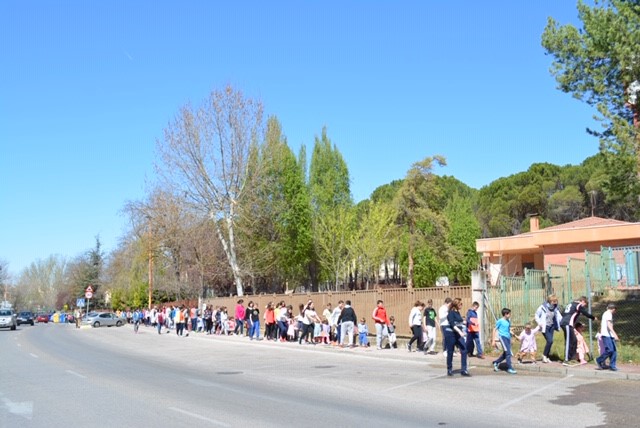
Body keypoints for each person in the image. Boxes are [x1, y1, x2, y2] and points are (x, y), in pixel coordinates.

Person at [560, 296, 597, 366]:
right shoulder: (578, 305)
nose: (584, 306)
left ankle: (573, 358)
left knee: (574, 340)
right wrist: (593, 317)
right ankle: (566, 360)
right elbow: (585, 313)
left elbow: (568, 313)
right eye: (585, 304)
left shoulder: (571, 304)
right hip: (567, 323)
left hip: (568, 324)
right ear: (582, 301)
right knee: (569, 341)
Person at [445, 298, 470, 377]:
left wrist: (464, 322)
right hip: (451, 334)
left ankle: (464, 369)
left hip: (459, 335)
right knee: (450, 352)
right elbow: (452, 324)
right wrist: (459, 331)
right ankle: (449, 369)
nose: (461, 306)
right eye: (460, 304)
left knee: (464, 350)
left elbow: (459, 321)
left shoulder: (457, 313)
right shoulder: (451, 313)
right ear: (456, 304)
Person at [534, 294, 562, 363]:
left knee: (550, 342)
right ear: (549, 301)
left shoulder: (555, 308)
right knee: (550, 341)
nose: (555, 303)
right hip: (545, 326)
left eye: (556, 301)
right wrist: (539, 322)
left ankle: (547, 356)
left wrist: (563, 322)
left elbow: (559, 316)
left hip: (552, 326)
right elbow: (536, 315)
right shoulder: (543, 307)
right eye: (553, 301)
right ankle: (544, 355)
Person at [492, 307, 517, 374]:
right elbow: (494, 329)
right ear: (505, 314)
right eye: (509, 314)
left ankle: (496, 362)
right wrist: (493, 340)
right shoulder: (500, 321)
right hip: (502, 337)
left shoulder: (508, 321)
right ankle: (509, 368)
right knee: (508, 353)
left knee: (506, 353)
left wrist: (514, 335)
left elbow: (508, 330)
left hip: (507, 338)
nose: (510, 315)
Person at [596, 303, 619, 371]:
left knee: (614, 351)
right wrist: (615, 334)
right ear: (613, 309)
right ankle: (599, 360)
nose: (615, 312)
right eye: (615, 311)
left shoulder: (607, 313)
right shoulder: (608, 314)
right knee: (610, 350)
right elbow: (609, 325)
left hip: (609, 335)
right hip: (606, 335)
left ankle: (612, 366)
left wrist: (612, 334)